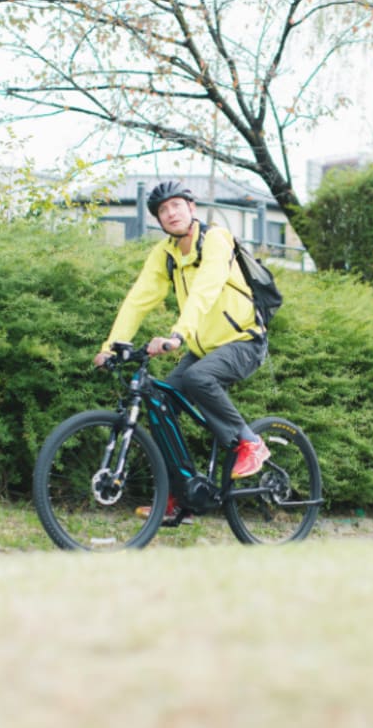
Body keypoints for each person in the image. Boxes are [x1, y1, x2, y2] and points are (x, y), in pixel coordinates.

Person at [93, 180, 271, 519]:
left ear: (192, 208)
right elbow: (138, 299)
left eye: (176, 205)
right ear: (159, 220)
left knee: (197, 377)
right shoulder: (165, 253)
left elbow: (207, 287)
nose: (170, 213)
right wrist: (110, 346)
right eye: (163, 210)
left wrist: (177, 335)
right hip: (204, 347)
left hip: (245, 340)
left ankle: (251, 442)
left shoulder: (216, 238)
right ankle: (183, 497)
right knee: (160, 404)